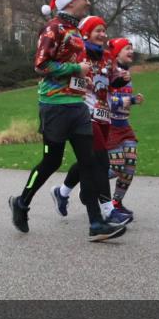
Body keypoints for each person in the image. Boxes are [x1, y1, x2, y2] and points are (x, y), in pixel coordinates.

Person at [8, 0, 126, 242]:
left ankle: (96, 223)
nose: (88, 2)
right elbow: (40, 65)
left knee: (89, 162)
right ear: (70, 2)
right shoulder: (53, 29)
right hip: (54, 106)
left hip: (78, 106)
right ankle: (22, 202)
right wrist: (75, 70)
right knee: (52, 161)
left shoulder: (76, 31)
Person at [51, 16, 131, 225]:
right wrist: (81, 78)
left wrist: (119, 80)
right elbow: (68, 79)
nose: (103, 35)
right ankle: (107, 210)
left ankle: (62, 192)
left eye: (104, 31)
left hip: (104, 115)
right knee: (101, 160)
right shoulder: (79, 54)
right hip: (84, 113)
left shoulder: (106, 57)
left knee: (90, 159)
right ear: (85, 33)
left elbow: (109, 83)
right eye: (97, 31)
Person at [106, 36, 143, 220]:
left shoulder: (127, 74)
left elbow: (124, 100)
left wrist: (134, 100)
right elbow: (103, 98)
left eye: (131, 48)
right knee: (117, 167)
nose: (131, 51)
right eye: (127, 48)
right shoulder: (110, 72)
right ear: (117, 53)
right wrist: (123, 100)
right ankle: (92, 183)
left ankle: (116, 203)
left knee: (130, 166)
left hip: (124, 125)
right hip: (110, 126)